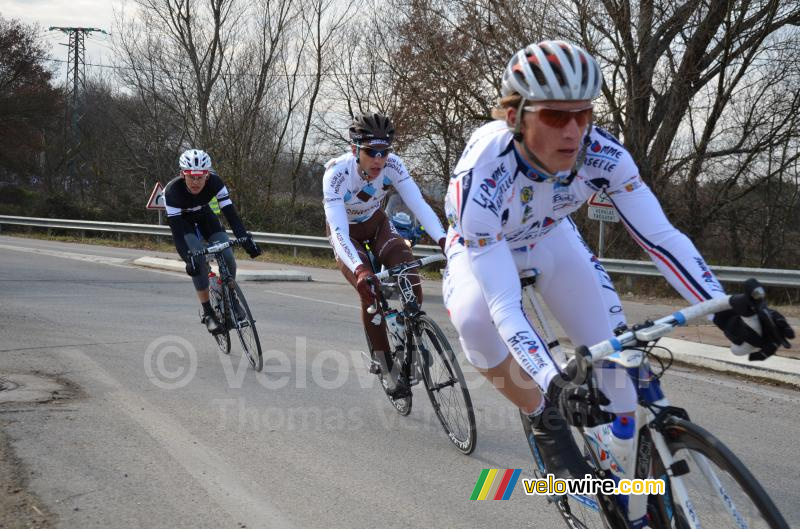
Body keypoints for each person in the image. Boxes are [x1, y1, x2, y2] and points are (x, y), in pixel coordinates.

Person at [442, 40, 794, 480]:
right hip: (484, 245)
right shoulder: (483, 176)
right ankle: (542, 419)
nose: (573, 132)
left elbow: (661, 238)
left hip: (551, 237)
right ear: (515, 117)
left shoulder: (603, 154)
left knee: (617, 378)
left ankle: (632, 487)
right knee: (475, 323)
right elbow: (504, 306)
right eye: (555, 116)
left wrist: (722, 309)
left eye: (584, 114)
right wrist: (554, 386)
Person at [322, 112, 447, 397]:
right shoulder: (336, 174)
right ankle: (384, 363)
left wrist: (444, 239)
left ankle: (410, 335)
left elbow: (419, 204)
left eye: (384, 151)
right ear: (355, 149)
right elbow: (339, 231)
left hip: (377, 224)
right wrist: (360, 270)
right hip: (347, 236)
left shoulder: (393, 165)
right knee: (371, 294)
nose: (379, 159)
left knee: (408, 271)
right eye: (371, 152)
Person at [164, 149, 262, 333]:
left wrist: (245, 238)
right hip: (183, 223)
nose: (196, 182)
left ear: (207, 175)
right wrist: (188, 257)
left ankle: (231, 298)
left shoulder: (215, 183)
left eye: (200, 177)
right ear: (182, 174)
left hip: (204, 216)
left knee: (228, 255)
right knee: (198, 261)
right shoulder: (172, 192)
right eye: (191, 177)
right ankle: (208, 313)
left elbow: (231, 215)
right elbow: (177, 233)